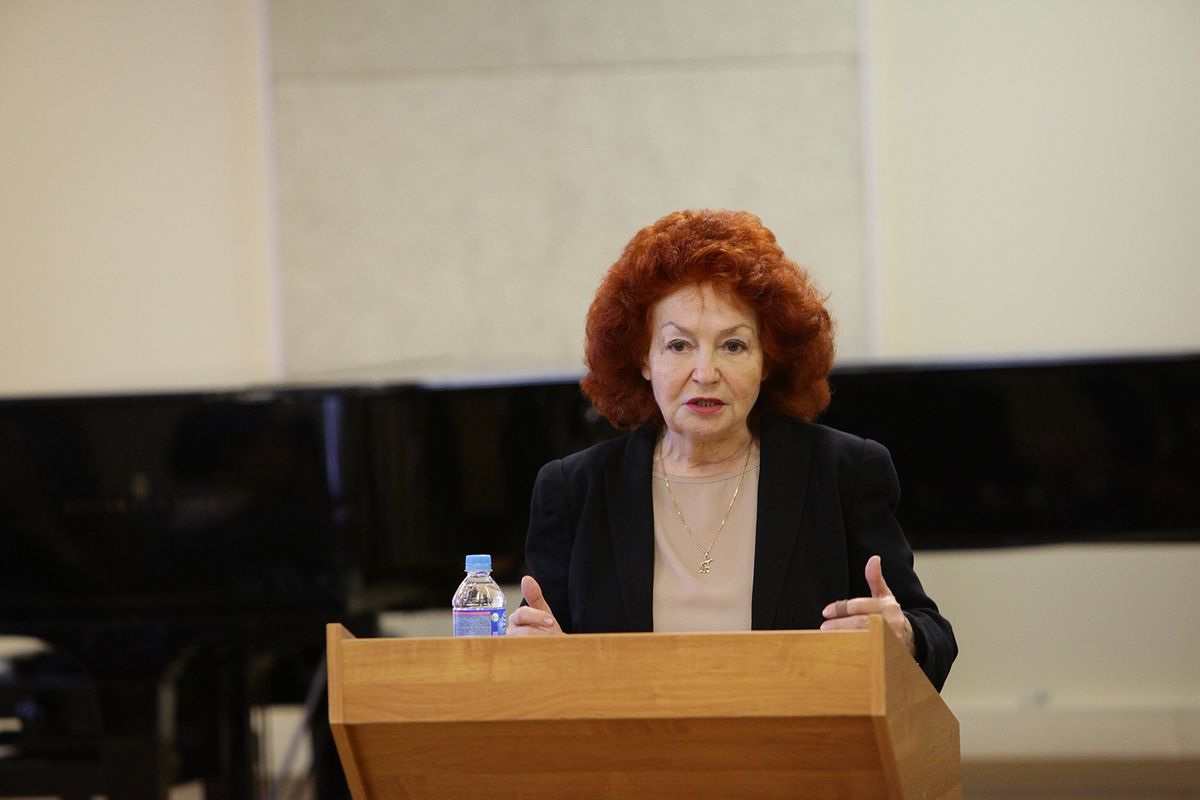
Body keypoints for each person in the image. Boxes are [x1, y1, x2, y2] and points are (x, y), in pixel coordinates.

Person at [507, 209, 956, 691]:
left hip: (795, 735)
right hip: (626, 738)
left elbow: (933, 637)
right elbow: (538, 657)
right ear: (643, 359)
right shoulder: (574, 490)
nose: (705, 373)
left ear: (768, 360)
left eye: (734, 346)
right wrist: (534, 652)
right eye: (679, 346)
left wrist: (904, 636)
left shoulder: (843, 472)